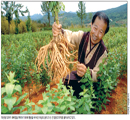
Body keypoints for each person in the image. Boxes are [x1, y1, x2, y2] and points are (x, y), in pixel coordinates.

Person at [52, 12, 109, 98]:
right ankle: (73, 100)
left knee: (87, 95)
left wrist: (87, 73)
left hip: (91, 85)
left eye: (101, 32)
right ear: (91, 25)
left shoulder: (103, 52)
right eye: (95, 28)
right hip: (79, 77)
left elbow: (99, 75)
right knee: (66, 80)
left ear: (104, 34)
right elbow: (70, 36)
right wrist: (59, 31)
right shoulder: (83, 37)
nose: (96, 34)